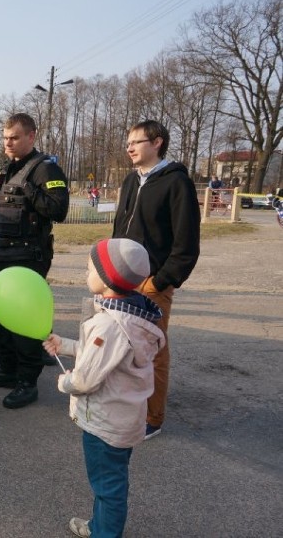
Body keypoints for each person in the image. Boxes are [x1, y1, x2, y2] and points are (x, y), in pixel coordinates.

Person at [43, 238, 164, 538]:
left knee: (108, 488)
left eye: (89, 268)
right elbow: (110, 359)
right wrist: (67, 345)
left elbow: (85, 379)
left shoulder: (109, 325)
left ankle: (105, 533)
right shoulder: (131, 316)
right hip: (124, 421)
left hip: (104, 425)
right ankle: (99, 527)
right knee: (109, 482)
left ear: (108, 278)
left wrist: (63, 382)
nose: (86, 273)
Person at [0, 113, 69, 409]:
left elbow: (59, 209)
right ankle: (7, 370)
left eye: (14, 137)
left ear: (32, 136)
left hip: (28, 257)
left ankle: (27, 382)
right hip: (1, 254)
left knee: (25, 324)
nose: (8, 143)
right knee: (2, 318)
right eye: (5, 138)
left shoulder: (44, 169)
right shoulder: (8, 170)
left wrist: (26, 189)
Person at [113, 119, 200, 440]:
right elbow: (119, 230)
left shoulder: (176, 182)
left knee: (152, 352)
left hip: (152, 284)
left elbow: (186, 245)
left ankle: (153, 416)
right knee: (121, 346)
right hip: (121, 280)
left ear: (157, 142)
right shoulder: (130, 181)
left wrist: (160, 281)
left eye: (136, 142)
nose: (129, 148)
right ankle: (126, 404)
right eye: (128, 143)